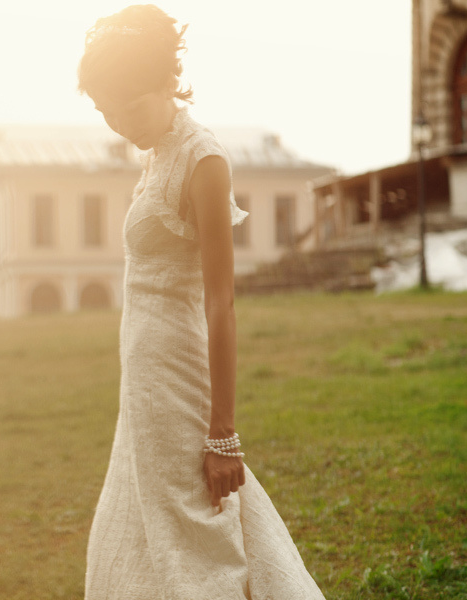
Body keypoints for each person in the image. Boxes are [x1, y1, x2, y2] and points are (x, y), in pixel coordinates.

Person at [77, 5, 326, 599]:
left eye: (129, 108)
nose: (120, 125)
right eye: (106, 113)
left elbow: (222, 303)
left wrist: (224, 435)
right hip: (144, 380)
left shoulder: (203, 160)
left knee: (196, 526)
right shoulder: (157, 152)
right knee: (155, 523)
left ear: (167, 82)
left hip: (178, 376)